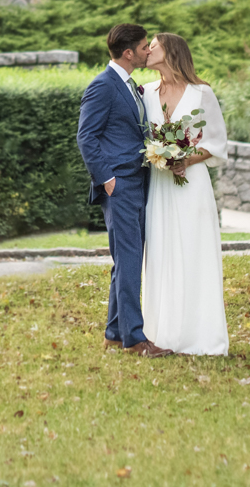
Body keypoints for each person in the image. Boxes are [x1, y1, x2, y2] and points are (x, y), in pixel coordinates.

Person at [76, 23, 172, 357]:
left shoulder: (131, 86)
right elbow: (86, 136)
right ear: (129, 53)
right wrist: (107, 178)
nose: (149, 51)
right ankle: (135, 339)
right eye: (145, 47)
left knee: (126, 260)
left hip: (137, 180)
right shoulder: (102, 86)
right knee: (130, 259)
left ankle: (115, 333)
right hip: (119, 184)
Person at [139, 31, 230, 356]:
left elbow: (217, 142)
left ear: (171, 51)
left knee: (194, 252)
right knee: (161, 252)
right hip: (159, 186)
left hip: (191, 184)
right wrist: (160, 156)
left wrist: (186, 158)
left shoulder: (201, 93)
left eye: (153, 46)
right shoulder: (145, 92)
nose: (147, 50)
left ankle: (201, 336)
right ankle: (160, 334)